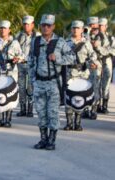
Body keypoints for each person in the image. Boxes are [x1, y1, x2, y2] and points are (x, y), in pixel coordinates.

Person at [29, 14, 75, 150]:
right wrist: (32, 79)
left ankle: (52, 140)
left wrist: (58, 59)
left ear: (53, 26)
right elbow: (31, 60)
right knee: (41, 112)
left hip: (53, 83)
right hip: (39, 83)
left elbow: (72, 57)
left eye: (48, 25)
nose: (46, 27)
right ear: (40, 26)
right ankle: (43, 139)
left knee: (53, 113)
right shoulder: (35, 41)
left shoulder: (60, 42)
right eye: (43, 25)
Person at [0, 20, 23, 127]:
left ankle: (8, 119)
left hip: (11, 72)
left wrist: (18, 59)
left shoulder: (15, 43)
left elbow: (21, 55)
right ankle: (0, 119)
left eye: (5, 28)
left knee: (9, 95)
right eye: (1, 28)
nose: (3, 30)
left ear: (9, 30)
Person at [64, 20, 98, 131]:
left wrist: (92, 62)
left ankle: (77, 123)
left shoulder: (86, 43)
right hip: (69, 73)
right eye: (73, 28)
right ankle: (69, 123)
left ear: (82, 29)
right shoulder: (66, 42)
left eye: (78, 28)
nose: (75, 30)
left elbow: (92, 55)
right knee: (68, 97)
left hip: (82, 74)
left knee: (79, 97)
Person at [14, 15, 40, 117]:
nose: (26, 26)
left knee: (30, 88)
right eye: (24, 24)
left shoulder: (37, 36)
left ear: (32, 25)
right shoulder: (19, 36)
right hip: (20, 66)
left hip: (31, 66)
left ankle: (30, 109)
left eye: (28, 24)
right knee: (21, 88)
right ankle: (22, 108)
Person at [84, 16, 103, 120]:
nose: (91, 27)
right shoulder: (84, 34)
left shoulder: (101, 35)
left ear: (97, 24)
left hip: (96, 65)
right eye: (90, 25)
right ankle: (85, 109)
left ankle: (94, 110)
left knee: (95, 88)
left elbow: (98, 48)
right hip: (85, 65)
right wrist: (86, 34)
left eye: (94, 25)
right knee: (85, 88)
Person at [95, 18, 115, 114]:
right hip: (97, 61)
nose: (100, 27)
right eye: (99, 25)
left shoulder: (111, 38)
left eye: (102, 25)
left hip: (107, 60)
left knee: (106, 83)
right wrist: (104, 49)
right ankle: (97, 104)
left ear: (106, 26)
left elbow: (113, 50)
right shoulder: (94, 37)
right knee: (96, 82)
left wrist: (102, 50)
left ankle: (105, 105)